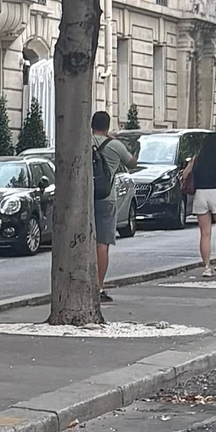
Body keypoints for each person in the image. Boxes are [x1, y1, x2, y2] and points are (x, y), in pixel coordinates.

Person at [89, 110, 123, 306]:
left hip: (84, 198)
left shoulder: (84, 142)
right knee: (102, 243)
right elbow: (132, 161)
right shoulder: (114, 145)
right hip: (106, 197)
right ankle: (99, 286)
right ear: (107, 126)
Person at [187, 132, 216, 275]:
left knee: (205, 233)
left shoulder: (197, 159)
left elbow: (184, 175)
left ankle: (206, 267)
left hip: (200, 194)